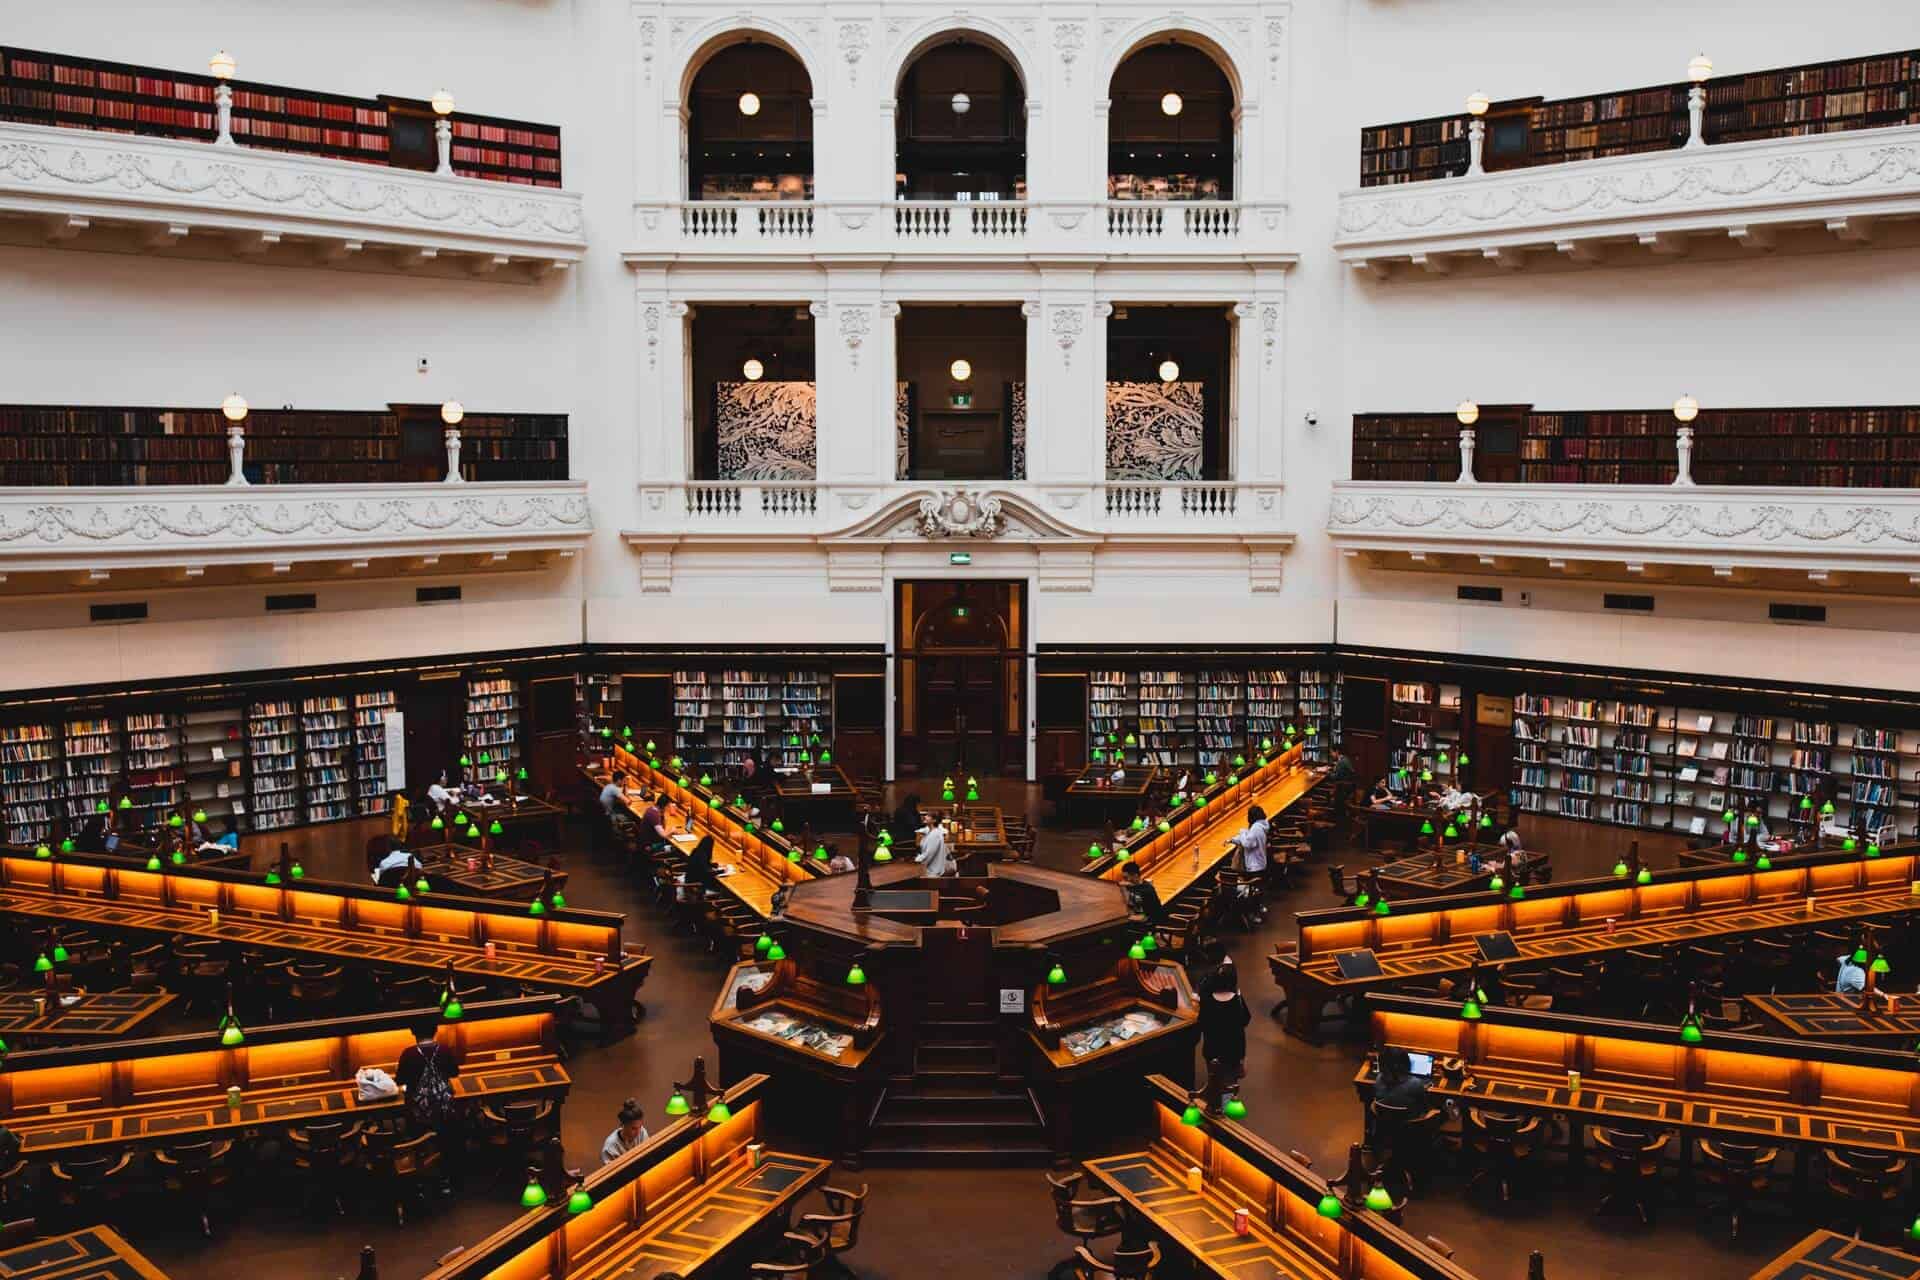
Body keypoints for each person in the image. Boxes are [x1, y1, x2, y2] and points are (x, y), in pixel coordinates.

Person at [397, 1019, 462, 1189]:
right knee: (446, 1139)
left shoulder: (408, 1054)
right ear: (436, 1030)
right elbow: (454, 1073)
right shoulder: (445, 1050)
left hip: (418, 1113)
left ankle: (420, 1174)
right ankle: (446, 1177)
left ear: (413, 1032)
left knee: (417, 1138)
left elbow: (400, 1080)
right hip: (444, 1109)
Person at [1198, 965, 1251, 1110]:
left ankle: (1213, 1104)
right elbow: (1246, 1019)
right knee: (1230, 1081)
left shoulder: (1207, 1000)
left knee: (1213, 1078)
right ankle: (1226, 1107)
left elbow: (1202, 1022)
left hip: (1212, 1048)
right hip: (1233, 1050)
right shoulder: (1237, 1001)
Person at [600, 1098, 649, 1165]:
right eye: (633, 1128)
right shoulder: (610, 1147)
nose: (638, 1132)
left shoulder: (642, 1132)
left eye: (640, 1127)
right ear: (623, 1125)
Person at [1120, 861, 1163, 926]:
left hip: (1147, 922)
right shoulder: (1128, 887)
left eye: (1126, 878)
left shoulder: (1147, 889)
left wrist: (1143, 918)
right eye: (1124, 878)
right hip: (1133, 918)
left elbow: (1155, 912)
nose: (1125, 880)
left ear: (1135, 875)